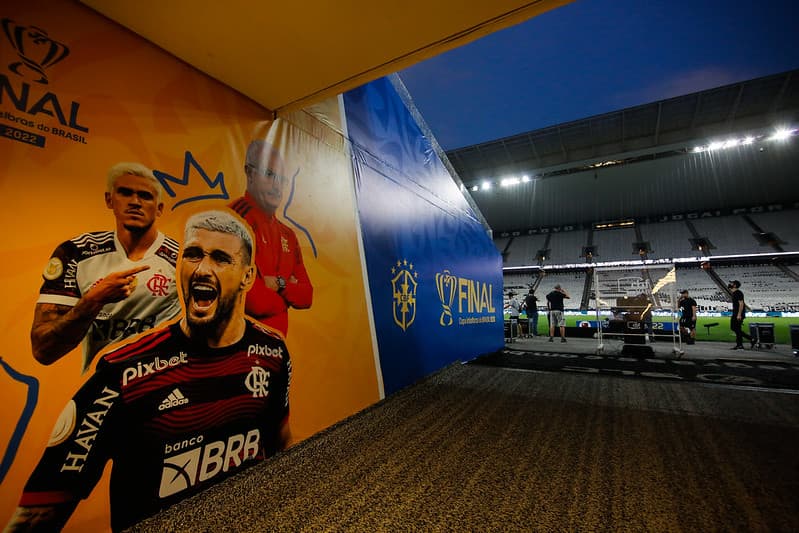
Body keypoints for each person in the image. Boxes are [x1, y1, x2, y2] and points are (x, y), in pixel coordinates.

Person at [5, 210, 292, 532]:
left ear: (247, 276)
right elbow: (36, 515)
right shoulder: (124, 372)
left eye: (221, 259)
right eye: (193, 255)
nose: (201, 269)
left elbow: (279, 443)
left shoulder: (272, 351)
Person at [32, 162, 181, 373]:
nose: (135, 202)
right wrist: (94, 300)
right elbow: (43, 350)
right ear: (109, 200)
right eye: (125, 193)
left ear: (159, 209)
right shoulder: (76, 252)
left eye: (145, 196)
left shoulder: (183, 258)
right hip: (99, 385)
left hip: (162, 385)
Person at [229, 139, 312, 336]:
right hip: (239, 352)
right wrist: (286, 297)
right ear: (249, 173)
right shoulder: (233, 220)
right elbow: (253, 301)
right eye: (269, 174)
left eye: (282, 180)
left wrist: (278, 283)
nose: (277, 186)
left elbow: (307, 296)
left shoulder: (288, 235)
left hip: (276, 352)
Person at [728, 279, 753, 350]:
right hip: (736, 313)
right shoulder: (735, 293)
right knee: (736, 329)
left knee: (735, 328)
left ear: (735, 285)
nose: (730, 284)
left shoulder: (738, 293)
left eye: (732, 283)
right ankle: (742, 343)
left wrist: (739, 314)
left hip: (738, 313)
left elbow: (741, 304)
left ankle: (745, 342)